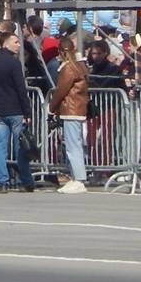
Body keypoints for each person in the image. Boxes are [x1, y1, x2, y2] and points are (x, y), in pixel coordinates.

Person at [0, 32, 37, 193]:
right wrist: (27, 112)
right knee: (20, 146)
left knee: (0, 147)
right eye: (15, 42)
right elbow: (20, 89)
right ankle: (26, 180)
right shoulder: (13, 64)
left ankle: (1, 182)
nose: (19, 45)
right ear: (6, 44)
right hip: (15, 110)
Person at [49, 35, 90, 194]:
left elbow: (61, 90)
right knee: (75, 144)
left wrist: (51, 107)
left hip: (71, 109)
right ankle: (76, 177)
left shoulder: (68, 68)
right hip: (78, 109)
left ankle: (79, 179)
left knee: (73, 146)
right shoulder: (80, 66)